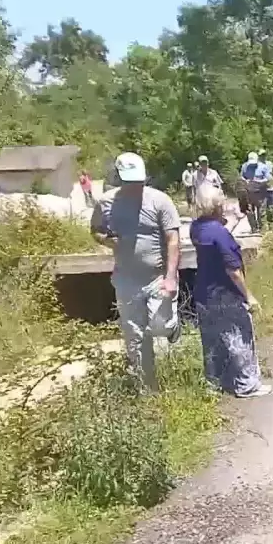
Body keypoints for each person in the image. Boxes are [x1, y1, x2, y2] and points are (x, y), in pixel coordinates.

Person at [90, 153, 183, 392]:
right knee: (135, 337)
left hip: (158, 275)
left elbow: (173, 240)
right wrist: (107, 241)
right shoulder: (106, 202)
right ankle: (148, 390)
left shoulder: (159, 201)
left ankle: (173, 327)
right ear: (119, 178)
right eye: (130, 182)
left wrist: (171, 277)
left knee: (160, 327)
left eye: (138, 181)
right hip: (126, 278)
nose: (135, 186)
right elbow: (96, 230)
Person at [189, 186, 272, 398]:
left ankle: (216, 382)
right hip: (225, 291)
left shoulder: (197, 228)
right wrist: (249, 296)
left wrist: (233, 222)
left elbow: (215, 238)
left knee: (213, 339)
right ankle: (246, 384)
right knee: (239, 336)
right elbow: (233, 270)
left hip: (204, 292)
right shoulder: (220, 232)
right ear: (218, 205)